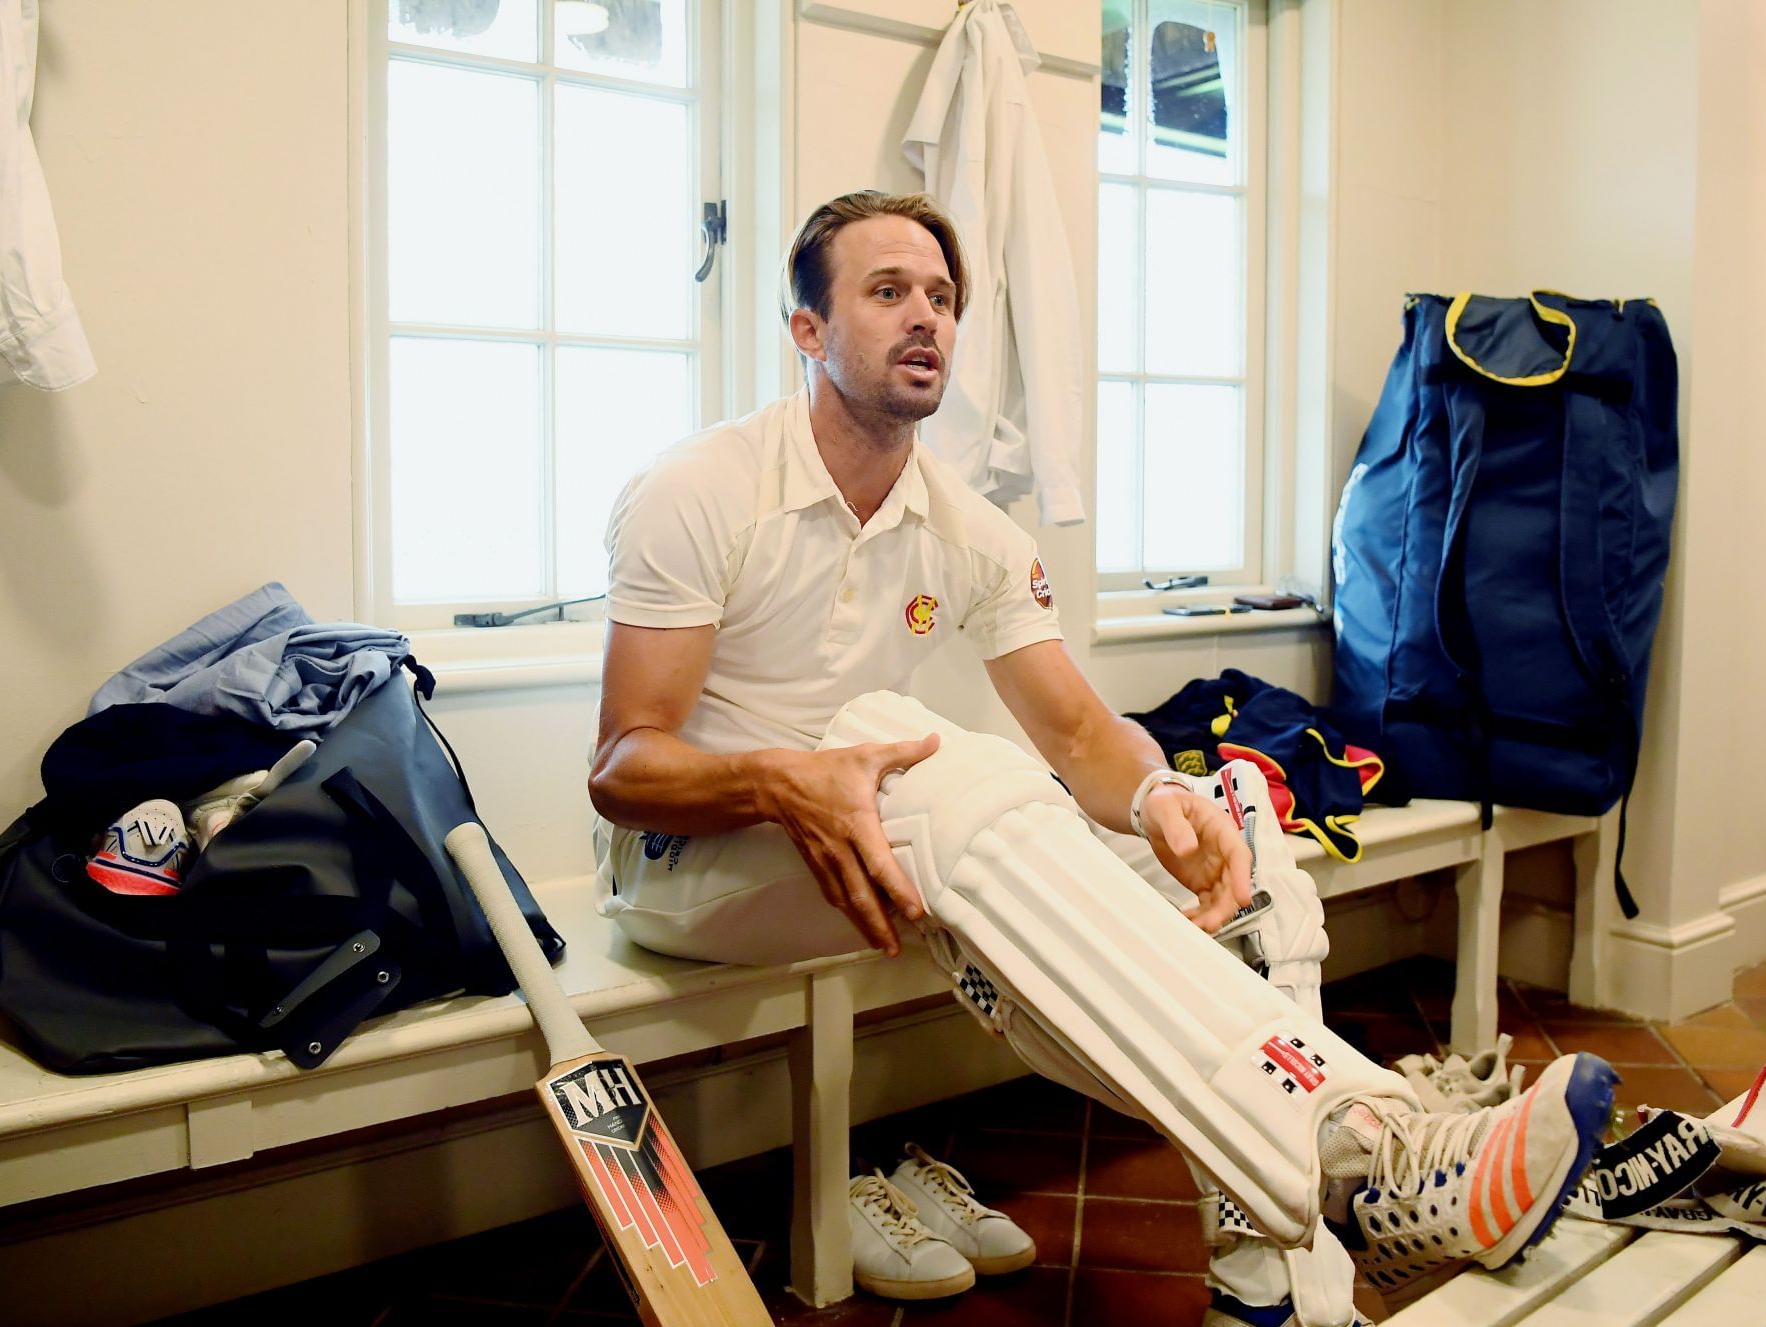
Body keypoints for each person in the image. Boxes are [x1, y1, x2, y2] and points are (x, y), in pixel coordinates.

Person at [586, 190, 1615, 1326]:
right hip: (696, 861)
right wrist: (786, 781)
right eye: (887, 293)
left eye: (940, 296)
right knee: (922, 766)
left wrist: (1169, 797)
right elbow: (625, 768)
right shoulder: (701, 490)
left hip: (878, 846)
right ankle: (1371, 1145)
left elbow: (1079, 737)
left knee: (1242, 845)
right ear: (808, 332)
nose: (925, 316)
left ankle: (1276, 1280)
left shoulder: (971, 530)